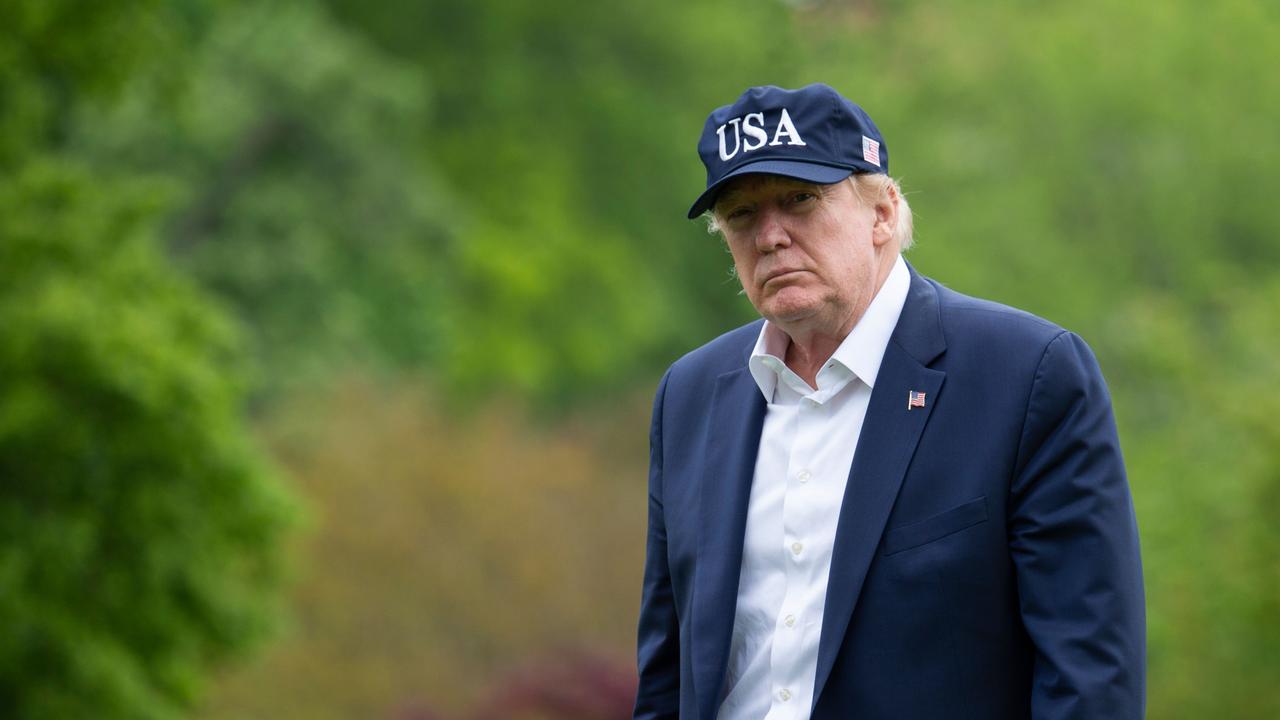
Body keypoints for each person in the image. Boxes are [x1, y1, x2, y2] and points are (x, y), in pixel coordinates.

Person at [633, 83, 1145, 720]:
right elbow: (665, 677)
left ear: (882, 212)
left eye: (801, 200)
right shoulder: (690, 395)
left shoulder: (1026, 375)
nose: (770, 236)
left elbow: (1090, 679)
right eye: (741, 214)